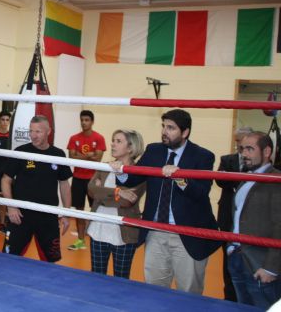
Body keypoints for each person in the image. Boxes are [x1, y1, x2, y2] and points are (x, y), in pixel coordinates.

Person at [115, 109, 221, 294]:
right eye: (163, 126)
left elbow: (201, 193)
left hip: (187, 234)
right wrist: (121, 170)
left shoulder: (203, 156)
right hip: (156, 232)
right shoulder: (154, 150)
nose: (164, 131)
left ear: (185, 132)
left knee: (189, 293)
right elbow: (134, 178)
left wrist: (180, 178)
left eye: (171, 128)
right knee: (154, 290)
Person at [2, 115, 72, 263]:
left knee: (51, 261)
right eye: (31, 131)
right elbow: (5, 180)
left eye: (38, 131)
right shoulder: (21, 151)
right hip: (20, 215)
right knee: (8, 258)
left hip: (48, 216)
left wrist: (67, 212)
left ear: (48, 131)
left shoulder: (58, 154)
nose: (33, 135)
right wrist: (11, 206)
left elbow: (64, 184)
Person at [227, 131, 281, 309]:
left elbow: (280, 225)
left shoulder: (276, 180)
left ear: (266, 152)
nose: (244, 154)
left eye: (250, 149)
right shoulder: (246, 177)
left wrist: (271, 267)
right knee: (243, 306)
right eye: (242, 149)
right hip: (238, 256)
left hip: (260, 262)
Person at [87, 129, 145, 279]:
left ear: (131, 148)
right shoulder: (105, 167)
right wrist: (118, 192)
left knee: (121, 280)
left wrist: (103, 192)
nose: (112, 144)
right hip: (98, 229)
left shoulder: (139, 172)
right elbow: (92, 191)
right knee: (97, 277)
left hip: (124, 233)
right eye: (113, 140)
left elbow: (128, 201)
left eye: (118, 141)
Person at [216, 127, 253, 302]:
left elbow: (249, 184)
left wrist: (232, 178)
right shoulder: (227, 159)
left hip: (250, 220)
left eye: (242, 141)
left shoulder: (256, 162)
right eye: (237, 141)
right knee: (228, 264)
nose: (239, 145)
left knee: (251, 261)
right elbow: (220, 180)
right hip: (227, 217)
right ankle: (229, 300)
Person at [67, 110, 106, 251]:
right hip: (78, 178)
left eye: (87, 120)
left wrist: (80, 155)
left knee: (95, 209)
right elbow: (71, 157)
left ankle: (97, 239)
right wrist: (89, 155)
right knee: (79, 210)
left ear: (92, 121)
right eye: (82, 120)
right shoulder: (73, 138)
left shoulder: (99, 138)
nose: (84, 122)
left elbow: (98, 158)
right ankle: (81, 240)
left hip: (93, 180)